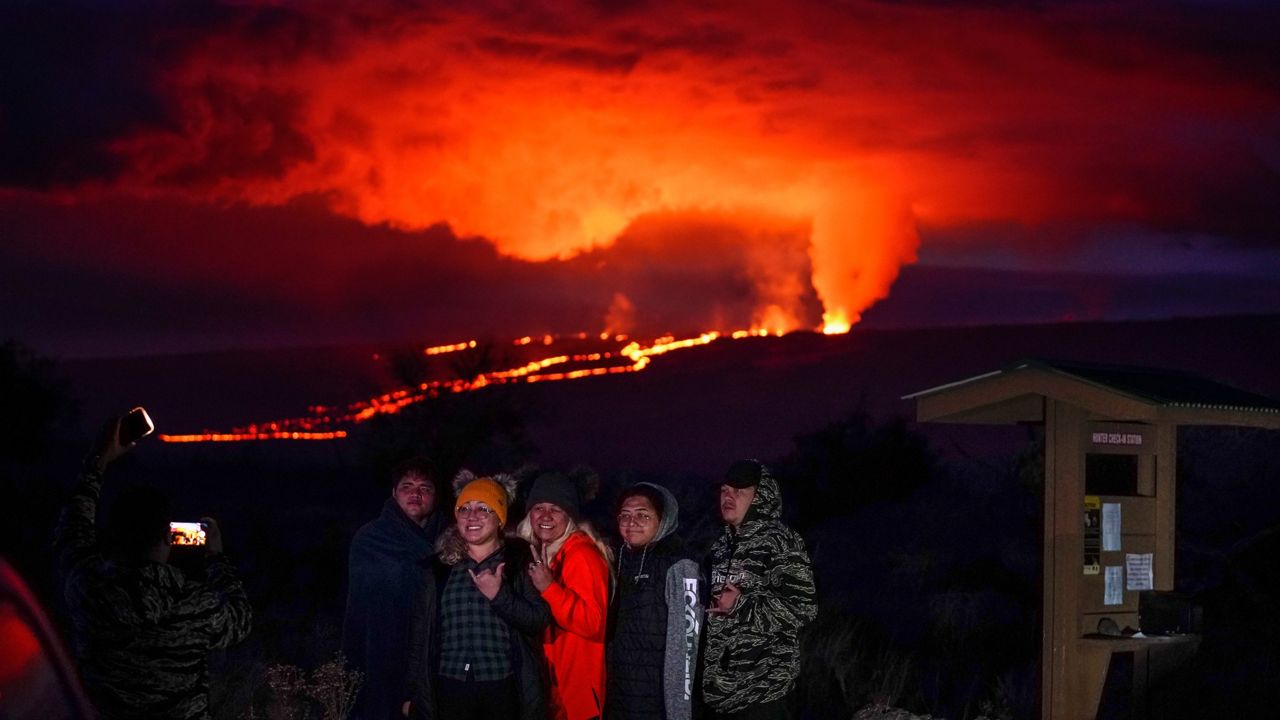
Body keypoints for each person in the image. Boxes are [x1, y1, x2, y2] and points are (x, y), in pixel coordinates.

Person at [54, 416, 252, 720]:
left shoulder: (88, 589)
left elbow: (72, 532)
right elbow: (240, 620)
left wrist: (98, 460)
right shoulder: (195, 604)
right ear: (167, 537)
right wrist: (216, 558)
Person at [404, 471, 549, 720]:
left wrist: (499, 595)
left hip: (502, 687)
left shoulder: (519, 560)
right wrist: (412, 691)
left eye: (484, 508)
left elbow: (538, 620)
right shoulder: (438, 569)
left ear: (500, 519)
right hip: (449, 687)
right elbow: (420, 633)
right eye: (464, 508)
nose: (472, 516)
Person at [702, 460, 816, 720]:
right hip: (721, 693)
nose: (728, 497)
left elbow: (803, 609)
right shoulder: (721, 544)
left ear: (760, 497)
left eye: (739, 492)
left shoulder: (780, 540)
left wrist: (741, 606)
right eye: (724, 490)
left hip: (764, 693)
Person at [342, 457, 447, 720]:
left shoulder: (451, 539)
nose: (415, 493)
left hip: (438, 654)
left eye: (425, 488)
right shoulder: (371, 539)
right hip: (383, 653)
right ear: (394, 493)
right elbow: (361, 610)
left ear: (435, 496)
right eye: (407, 486)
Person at [518, 471, 613, 720]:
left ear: (569, 515)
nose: (546, 516)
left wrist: (549, 588)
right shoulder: (545, 553)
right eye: (539, 507)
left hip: (576, 697)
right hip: (552, 690)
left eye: (556, 509)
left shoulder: (582, 554)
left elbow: (593, 622)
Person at [605, 483, 704, 720]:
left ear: (663, 519)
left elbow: (686, 647)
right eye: (625, 515)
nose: (632, 522)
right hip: (620, 696)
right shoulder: (620, 560)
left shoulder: (680, 566)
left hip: (657, 702)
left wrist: (678, 713)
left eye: (643, 515)